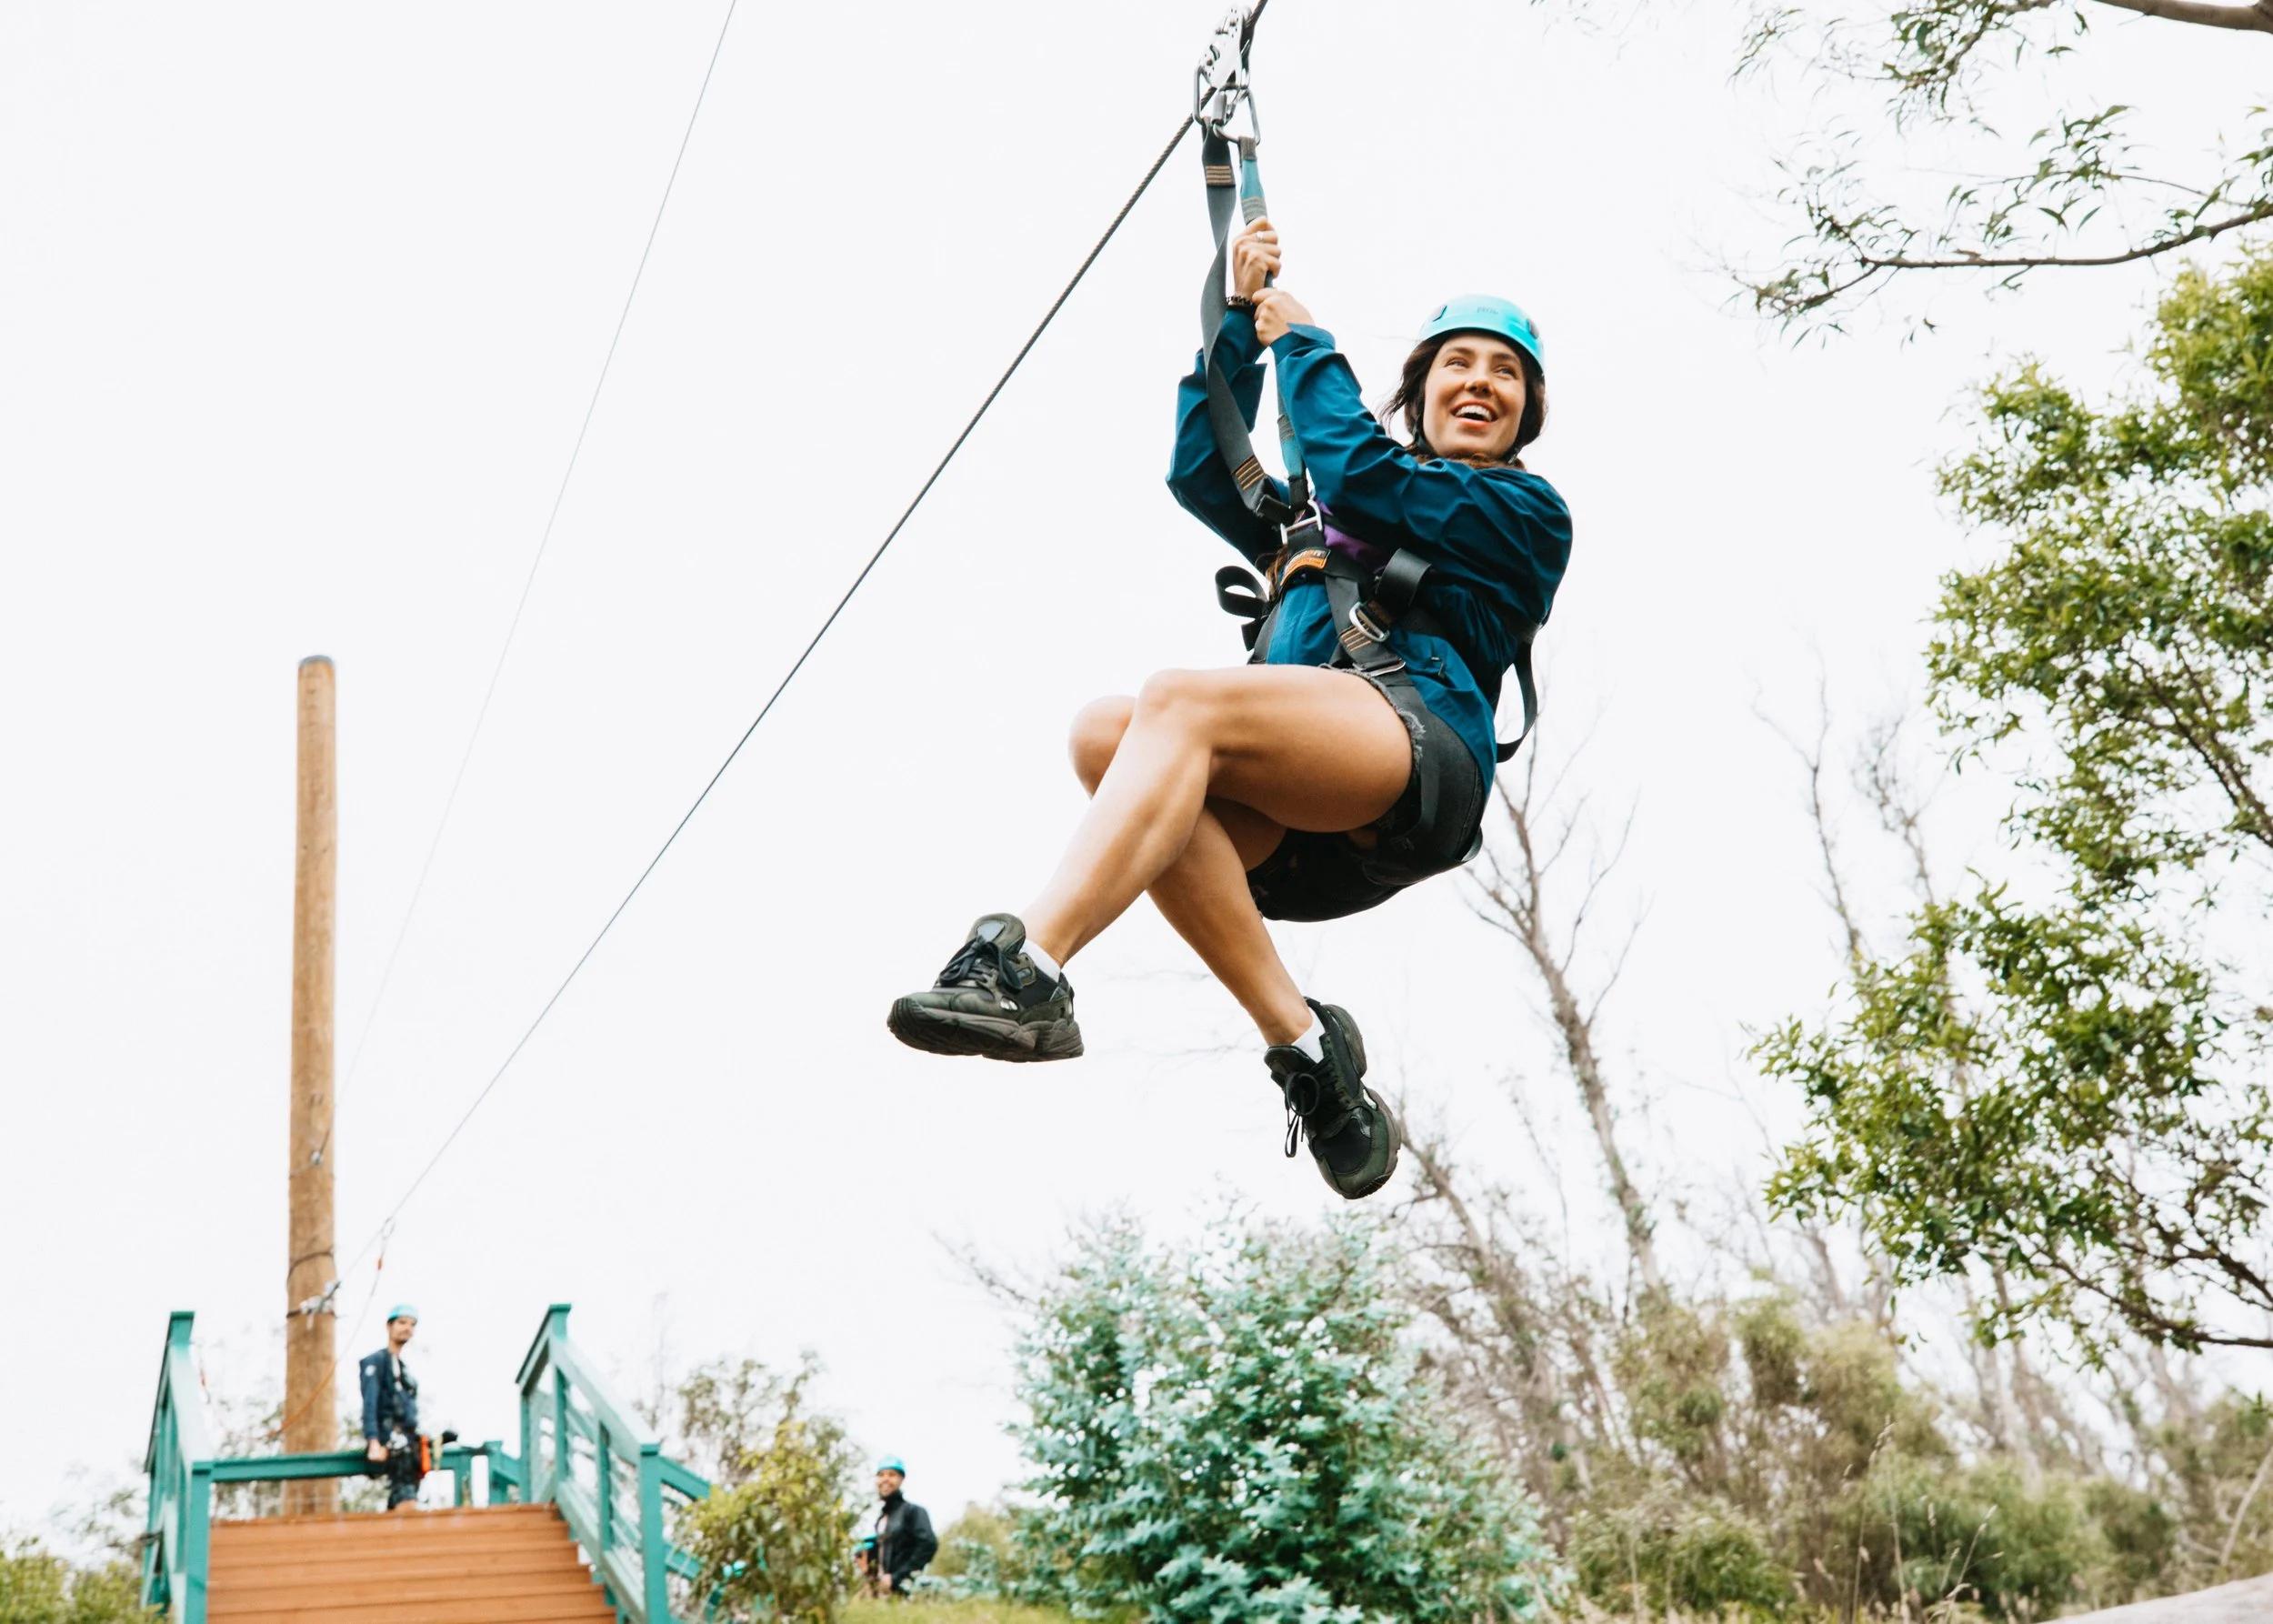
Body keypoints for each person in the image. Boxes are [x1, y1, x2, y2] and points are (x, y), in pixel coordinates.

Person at [888, 214, 1572, 1200]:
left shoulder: (1520, 513)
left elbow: (1366, 475)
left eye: (1504, 373)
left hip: (1417, 760)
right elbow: (1204, 469)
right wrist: (1235, 328)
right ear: (1417, 391)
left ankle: (1029, 962)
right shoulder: (1324, 510)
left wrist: (1301, 338)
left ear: (1524, 412)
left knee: (1175, 701)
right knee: (1102, 730)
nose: (1478, 383)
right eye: (1456, 364)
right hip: (1296, 835)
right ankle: (1305, 1050)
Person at [358, 1304, 423, 1510]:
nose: (407, 1328)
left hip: (409, 1444)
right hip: (392, 1442)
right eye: (402, 1322)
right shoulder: (376, 1362)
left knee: (403, 1496)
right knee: (405, 1497)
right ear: (389, 1326)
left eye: (412, 1324)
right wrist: (373, 1441)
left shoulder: (403, 1369)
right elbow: (370, 1404)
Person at [870, 1457, 936, 1597]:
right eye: (881, 1475)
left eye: (892, 1475)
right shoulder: (881, 1520)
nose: (885, 1479)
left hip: (908, 1592)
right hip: (883, 1595)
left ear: (901, 1479)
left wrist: (898, 1577)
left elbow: (928, 1545)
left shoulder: (913, 1511)